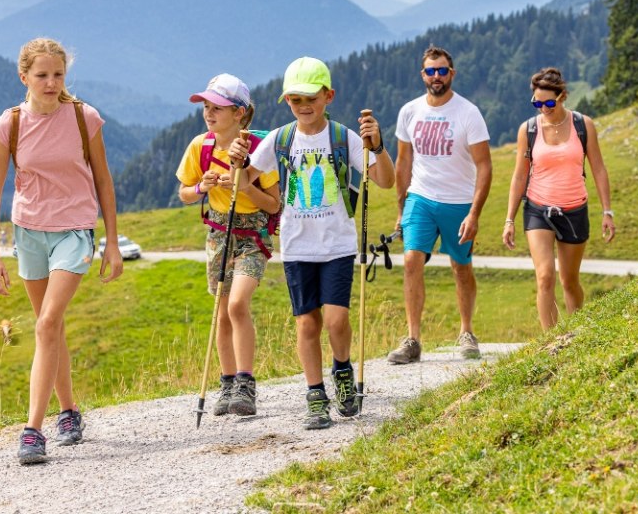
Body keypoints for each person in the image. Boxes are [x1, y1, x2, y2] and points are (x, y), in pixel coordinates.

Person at [228, 56, 394, 430]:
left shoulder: (343, 137)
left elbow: (385, 181)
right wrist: (237, 165)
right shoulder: (280, 139)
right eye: (295, 100)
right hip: (297, 245)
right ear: (286, 101)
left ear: (328, 96)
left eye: (311, 98)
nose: (303, 106)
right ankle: (315, 394)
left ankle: (342, 369)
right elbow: (242, 183)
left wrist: (379, 146)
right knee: (306, 324)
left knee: (336, 320)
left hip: (337, 244)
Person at [0, 37, 124, 465]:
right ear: (23, 76)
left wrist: (112, 241)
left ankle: (32, 431)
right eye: (42, 75)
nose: (51, 82)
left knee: (45, 325)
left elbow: (104, 181)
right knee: (51, 327)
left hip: (75, 230)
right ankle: (69, 412)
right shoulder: (9, 125)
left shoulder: (84, 118)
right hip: (28, 234)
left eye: (58, 74)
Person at [175, 73, 280, 417]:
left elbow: (274, 204)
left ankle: (246, 384)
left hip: (253, 235)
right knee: (221, 313)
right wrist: (203, 188)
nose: (208, 113)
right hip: (218, 234)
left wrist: (244, 184)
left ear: (239, 113)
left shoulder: (259, 150)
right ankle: (228, 382)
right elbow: (185, 194)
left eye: (217, 107)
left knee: (237, 305)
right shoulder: (200, 147)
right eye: (206, 106)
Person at [386, 46, 492, 365]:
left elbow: (484, 166)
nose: (436, 76)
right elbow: (403, 161)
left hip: (459, 201)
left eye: (442, 71)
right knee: (411, 261)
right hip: (420, 197)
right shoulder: (410, 111)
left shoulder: (468, 113)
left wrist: (474, 213)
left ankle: (466, 331)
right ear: (423, 75)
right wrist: (401, 208)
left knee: (461, 268)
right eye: (431, 71)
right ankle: (413, 339)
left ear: (452, 74)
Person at [502, 67, 615, 331]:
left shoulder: (582, 125)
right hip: (537, 209)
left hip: (575, 210)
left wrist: (607, 212)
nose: (543, 108)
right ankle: (550, 342)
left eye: (549, 102)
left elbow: (598, 168)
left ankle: (576, 336)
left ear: (563, 96)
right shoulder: (528, 129)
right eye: (537, 103)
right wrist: (509, 219)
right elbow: (519, 176)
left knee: (570, 281)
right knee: (544, 277)